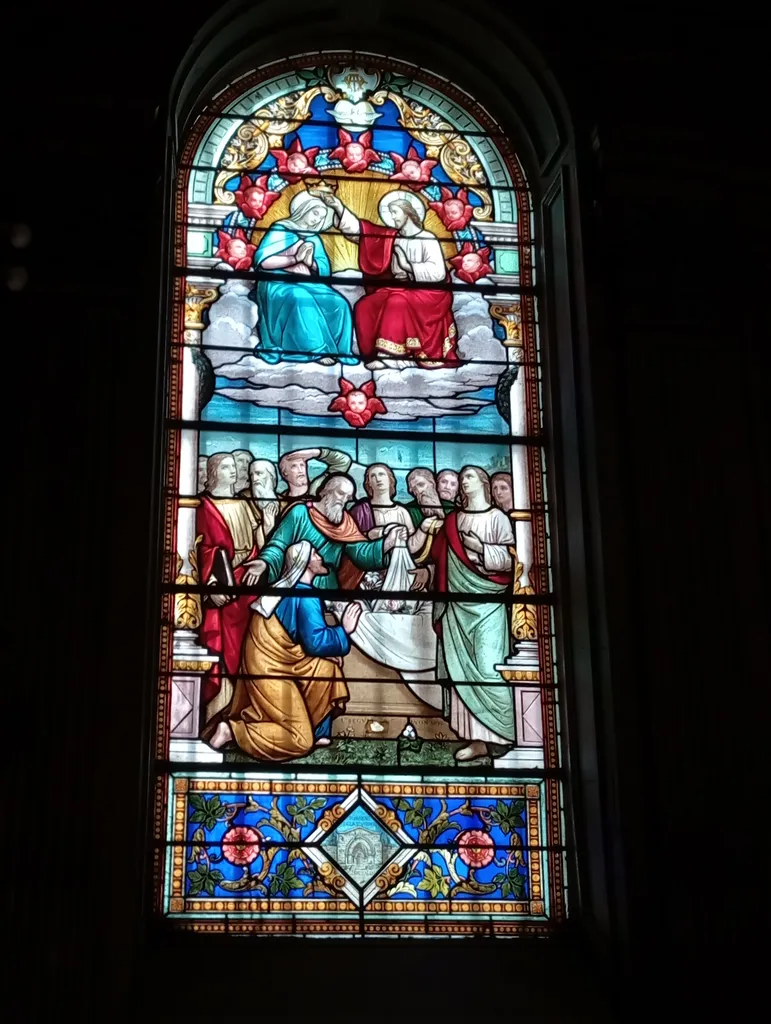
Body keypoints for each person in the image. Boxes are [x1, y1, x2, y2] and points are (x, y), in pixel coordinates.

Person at [204, 542, 361, 761]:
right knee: (298, 741)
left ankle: (317, 731)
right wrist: (344, 629)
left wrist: (326, 650)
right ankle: (233, 731)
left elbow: (296, 640)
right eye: (315, 554)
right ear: (305, 564)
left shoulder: (290, 591)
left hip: (283, 659)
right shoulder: (304, 595)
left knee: (327, 669)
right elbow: (315, 642)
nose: (320, 557)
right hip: (270, 668)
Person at [431, 465, 515, 761]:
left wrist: (482, 549)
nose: (464, 481)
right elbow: (437, 559)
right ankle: (478, 740)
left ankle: (505, 732)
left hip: (488, 605)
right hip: (456, 608)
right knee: (461, 671)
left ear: (483, 482)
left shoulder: (498, 519)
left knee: (489, 666)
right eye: (462, 477)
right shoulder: (452, 521)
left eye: (469, 476)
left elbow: (512, 560)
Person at [322, 189, 458, 368]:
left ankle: (391, 356)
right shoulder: (392, 238)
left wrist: (409, 266)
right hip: (399, 287)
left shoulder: (428, 238)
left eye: (395, 213)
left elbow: (438, 273)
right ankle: (371, 355)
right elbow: (361, 233)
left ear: (408, 213)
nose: (393, 217)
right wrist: (339, 208)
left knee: (396, 301)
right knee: (365, 305)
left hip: (429, 291)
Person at [242, 473, 406, 591]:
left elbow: (360, 552)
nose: (343, 500)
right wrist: (265, 562)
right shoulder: (300, 513)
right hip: (296, 585)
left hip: (329, 586)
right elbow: (279, 544)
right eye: (340, 493)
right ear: (326, 491)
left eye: (348, 497)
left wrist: (387, 543)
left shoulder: (346, 523)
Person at [253, 190, 356, 365]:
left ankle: (339, 351)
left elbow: (324, 269)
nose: (317, 219)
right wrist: (294, 259)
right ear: (304, 209)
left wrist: (311, 264)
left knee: (339, 303)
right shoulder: (280, 229)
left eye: (322, 217)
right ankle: (314, 350)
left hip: (309, 282)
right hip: (278, 283)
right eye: (315, 213)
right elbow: (264, 262)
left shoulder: (314, 238)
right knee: (300, 298)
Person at [196, 453, 262, 716]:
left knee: (248, 652)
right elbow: (198, 549)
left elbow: (259, 543)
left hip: (247, 586)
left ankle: (240, 715)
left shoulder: (246, 505)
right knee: (220, 653)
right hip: (222, 589)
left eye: (233, 467)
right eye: (225, 467)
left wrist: (258, 564)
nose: (232, 471)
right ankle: (214, 716)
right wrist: (211, 584)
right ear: (213, 472)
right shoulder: (203, 506)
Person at [350, 463, 433, 576]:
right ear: (368, 483)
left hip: (398, 570)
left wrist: (423, 529)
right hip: (368, 574)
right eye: (373, 476)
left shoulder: (402, 512)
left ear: (390, 480)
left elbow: (410, 547)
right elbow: (353, 544)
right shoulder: (360, 511)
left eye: (381, 474)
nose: (378, 478)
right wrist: (380, 532)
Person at [277, 446, 354, 512]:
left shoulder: (319, 487)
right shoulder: (279, 501)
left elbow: (344, 461)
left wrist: (315, 453)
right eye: (294, 466)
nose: (300, 470)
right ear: (284, 473)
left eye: (302, 465)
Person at [248, 459, 280, 539]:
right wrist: (265, 527)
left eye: (259, 473)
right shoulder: (245, 500)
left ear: (271, 476)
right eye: (251, 475)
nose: (254, 479)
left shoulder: (285, 503)